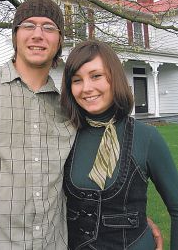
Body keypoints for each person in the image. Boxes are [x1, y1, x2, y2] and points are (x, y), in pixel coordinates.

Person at [0, 0, 162, 250]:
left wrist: (131, 219)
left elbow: (82, 177)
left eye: (49, 27)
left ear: (59, 40)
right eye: (28, 25)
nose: (38, 35)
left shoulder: (69, 110)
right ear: (15, 35)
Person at [61, 39, 178, 250]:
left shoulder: (147, 137)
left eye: (96, 76)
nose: (87, 88)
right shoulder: (64, 136)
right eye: (77, 80)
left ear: (114, 77)